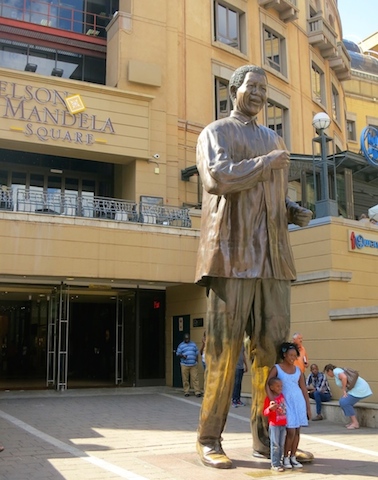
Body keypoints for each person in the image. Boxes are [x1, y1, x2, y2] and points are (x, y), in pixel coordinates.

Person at [195, 64, 313, 469]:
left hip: (273, 261)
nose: (260, 93)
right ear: (234, 89)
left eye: (265, 88)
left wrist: (293, 211)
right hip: (231, 256)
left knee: (273, 357)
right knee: (224, 355)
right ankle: (209, 439)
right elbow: (217, 178)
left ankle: (268, 440)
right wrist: (266, 163)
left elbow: (272, 201)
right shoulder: (216, 132)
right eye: (253, 86)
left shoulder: (271, 138)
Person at [266, 343, 311, 469]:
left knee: (297, 431)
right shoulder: (277, 368)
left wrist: (308, 407)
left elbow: (303, 388)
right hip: (285, 404)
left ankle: (293, 457)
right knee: (290, 431)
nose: (293, 357)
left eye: (295, 355)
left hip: (298, 402)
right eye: (290, 355)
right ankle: (285, 457)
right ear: (284, 355)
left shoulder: (298, 370)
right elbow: (267, 384)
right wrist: (272, 400)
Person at [324, 364, 372, 429]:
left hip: (360, 389)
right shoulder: (337, 372)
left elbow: (344, 377)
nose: (328, 375)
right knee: (344, 402)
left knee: (344, 402)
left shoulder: (336, 371)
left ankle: (355, 423)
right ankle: (353, 422)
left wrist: (344, 391)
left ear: (329, 370)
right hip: (357, 389)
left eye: (327, 373)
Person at [263, 377, 287, 472]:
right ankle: (275, 464)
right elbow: (265, 412)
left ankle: (279, 461)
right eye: (277, 386)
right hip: (274, 425)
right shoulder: (269, 399)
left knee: (281, 444)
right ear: (271, 387)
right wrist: (270, 409)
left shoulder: (282, 396)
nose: (280, 388)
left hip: (283, 423)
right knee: (275, 444)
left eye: (281, 386)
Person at [176, 333, 202, 397]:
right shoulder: (181, 345)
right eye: (186, 339)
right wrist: (182, 356)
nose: (187, 340)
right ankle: (186, 391)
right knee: (185, 379)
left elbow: (196, 352)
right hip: (184, 364)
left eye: (188, 338)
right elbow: (177, 354)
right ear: (184, 339)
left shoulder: (193, 344)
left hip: (193, 364)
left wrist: (196, 360)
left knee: (195, 378)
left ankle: (197, 392)